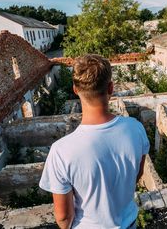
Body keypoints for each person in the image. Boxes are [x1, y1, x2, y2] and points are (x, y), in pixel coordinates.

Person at [39, 54, 150, 229]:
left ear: (75, 89)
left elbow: (63, 217)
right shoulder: (135, 128)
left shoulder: (61, 151)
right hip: (129, 224)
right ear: (111, 88)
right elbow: (137, 174)